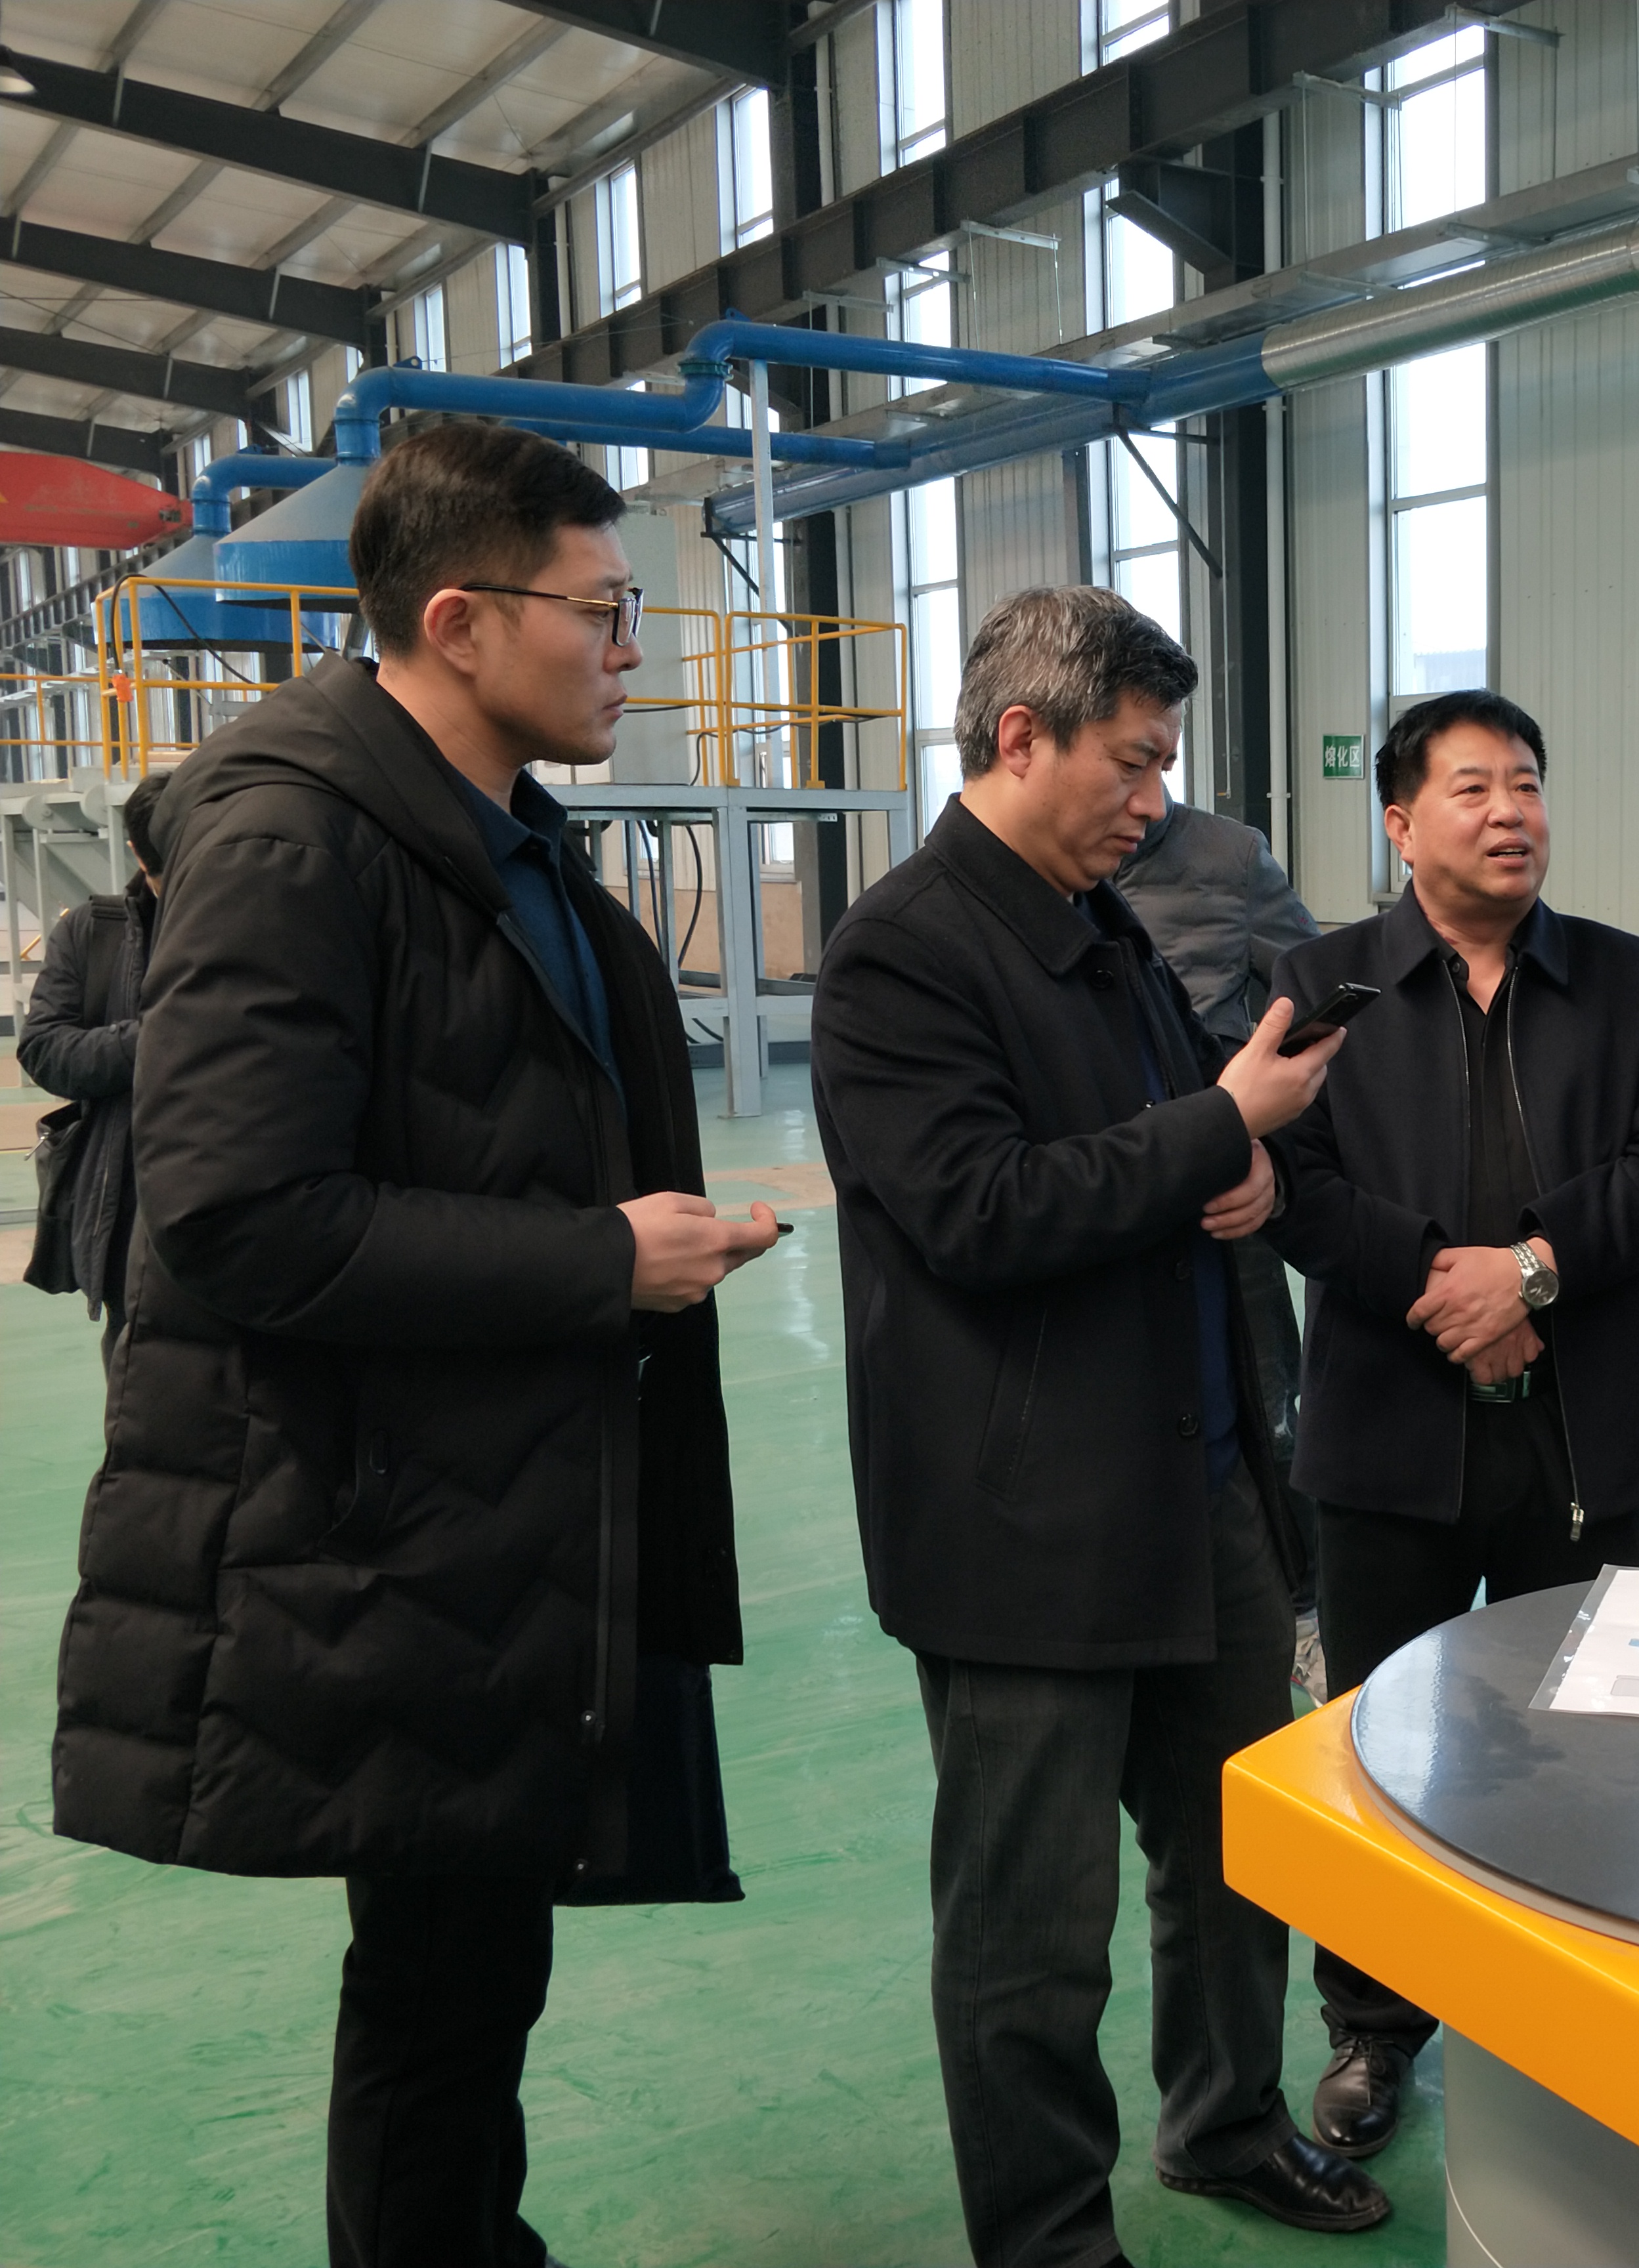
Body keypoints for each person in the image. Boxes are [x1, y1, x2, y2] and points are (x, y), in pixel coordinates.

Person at [51, 421, 779, 2268]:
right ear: (458, 620)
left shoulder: (496, 839)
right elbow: (237, 1213)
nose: (632, 648)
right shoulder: (295, 841)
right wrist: (598, 1261)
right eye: (600, 610)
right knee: (437, 1993)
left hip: (493, 1510)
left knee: (472, 1970)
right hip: (391, 1528)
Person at [809, 585, 1388, 2265]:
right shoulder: (905, 951)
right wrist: (1218, 1125)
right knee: (1031, 1924)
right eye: (1132, 761)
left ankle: (1225, 2123)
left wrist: (1246, 1156)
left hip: (1197, 1478)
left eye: (1165, 762)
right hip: (1025, 1523)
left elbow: (1155, 1145)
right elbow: (976, 1209)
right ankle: (1049, 2235)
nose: (1156, 797)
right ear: (1020, 737)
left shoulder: (1100, 921)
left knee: (1234, 1855)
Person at [1267, 687, 1639, 2160]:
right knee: (1379, 1739)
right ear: (1401, 823)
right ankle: (1372, 2025)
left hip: (1576, 1433)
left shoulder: (1624, 978)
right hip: (1389, 1436)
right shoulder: (1322, 984)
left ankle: (1561, 2012)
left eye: (1525, 782)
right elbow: (1291, 1187)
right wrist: (1443, 1285)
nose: (1510, 811)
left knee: (1577, 1742)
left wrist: (1531, 1269)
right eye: (1472, 788)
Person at [1113, 795, 1328, 1690]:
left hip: (1222, 1194)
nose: (1141, 796)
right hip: (1109, 1200)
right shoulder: (1040, 877)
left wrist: (1270, 1150)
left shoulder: (1230, 859)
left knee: (1267, 1404)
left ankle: (1306, 1611)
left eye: (1155, 761)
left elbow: (1310, 1004)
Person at [17, 771, 169, 1363]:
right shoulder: (92, 932)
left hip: (237, 1215)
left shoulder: (252, 927)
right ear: (139, 851)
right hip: (127, 1220)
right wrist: (156, 1040)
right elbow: (44, 1048)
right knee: (136, 1370)